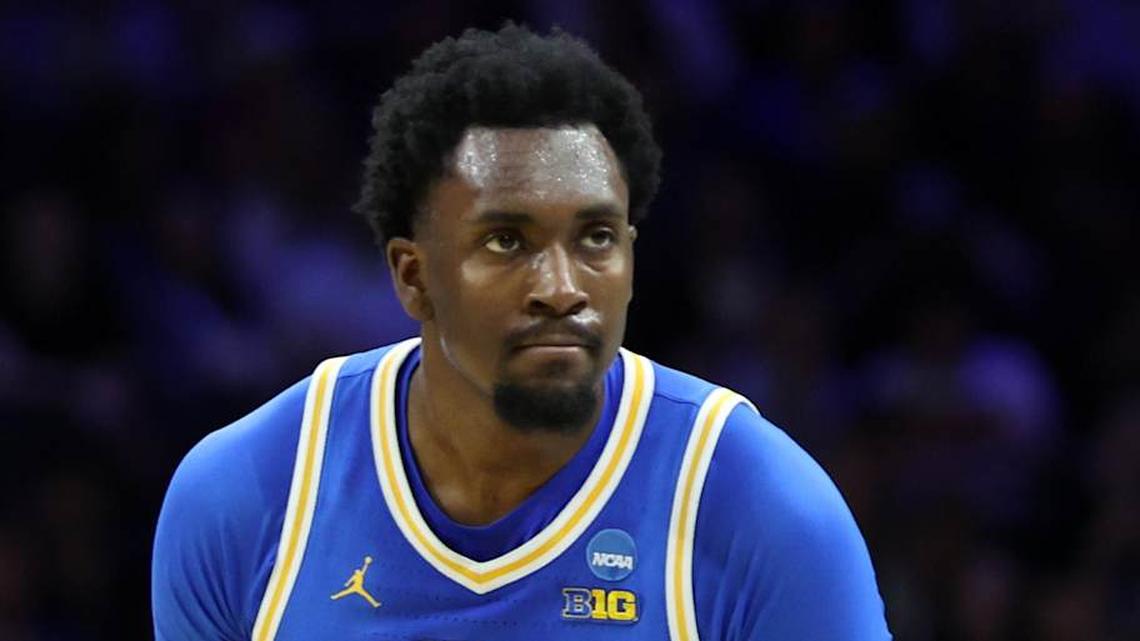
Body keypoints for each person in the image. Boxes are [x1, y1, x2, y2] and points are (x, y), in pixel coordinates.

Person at [152, 24, 891, 641]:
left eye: (597, 237)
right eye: (507, 241)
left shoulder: (761, 508)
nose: (562, 288)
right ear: (413, 276)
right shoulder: (248, 495)